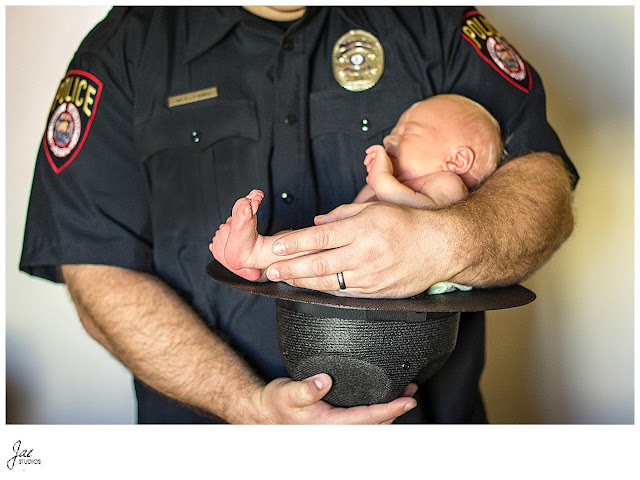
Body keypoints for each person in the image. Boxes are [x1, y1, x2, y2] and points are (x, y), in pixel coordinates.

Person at [20, 6, 578, 424]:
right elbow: (96, 269)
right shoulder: (124, 48)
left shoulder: (433, 21)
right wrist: (248, 406)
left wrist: (440, 243)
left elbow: (541, 183)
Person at [209, 94, 502, 284]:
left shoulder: (446, 183)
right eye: (394, 130)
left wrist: (382, 181)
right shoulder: (392, 181)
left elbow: (431, 217)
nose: (390, 138)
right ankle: (254, 258)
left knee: (311, 262)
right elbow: (353, 211)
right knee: (298, 245)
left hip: (384, 274)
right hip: (353, 254)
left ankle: (256, 258)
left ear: (457, 159)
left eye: (408, 132)